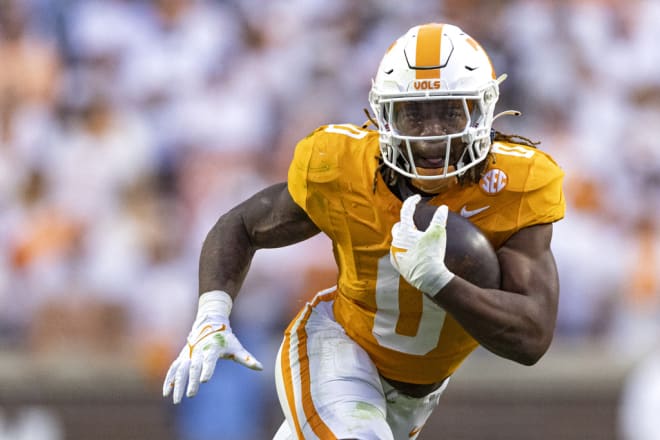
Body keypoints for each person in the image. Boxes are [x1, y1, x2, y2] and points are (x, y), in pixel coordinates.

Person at [163, 23, 565, 439]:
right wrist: (211, 314)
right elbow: (243, 225)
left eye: (448, 111)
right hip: (335, 348)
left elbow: (531, 337)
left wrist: (439, 282)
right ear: (384, 115)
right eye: (414, 114)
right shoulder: (342, 165)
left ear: (482, 109)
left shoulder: (517, 183)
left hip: (411, 400)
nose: (431, 134)